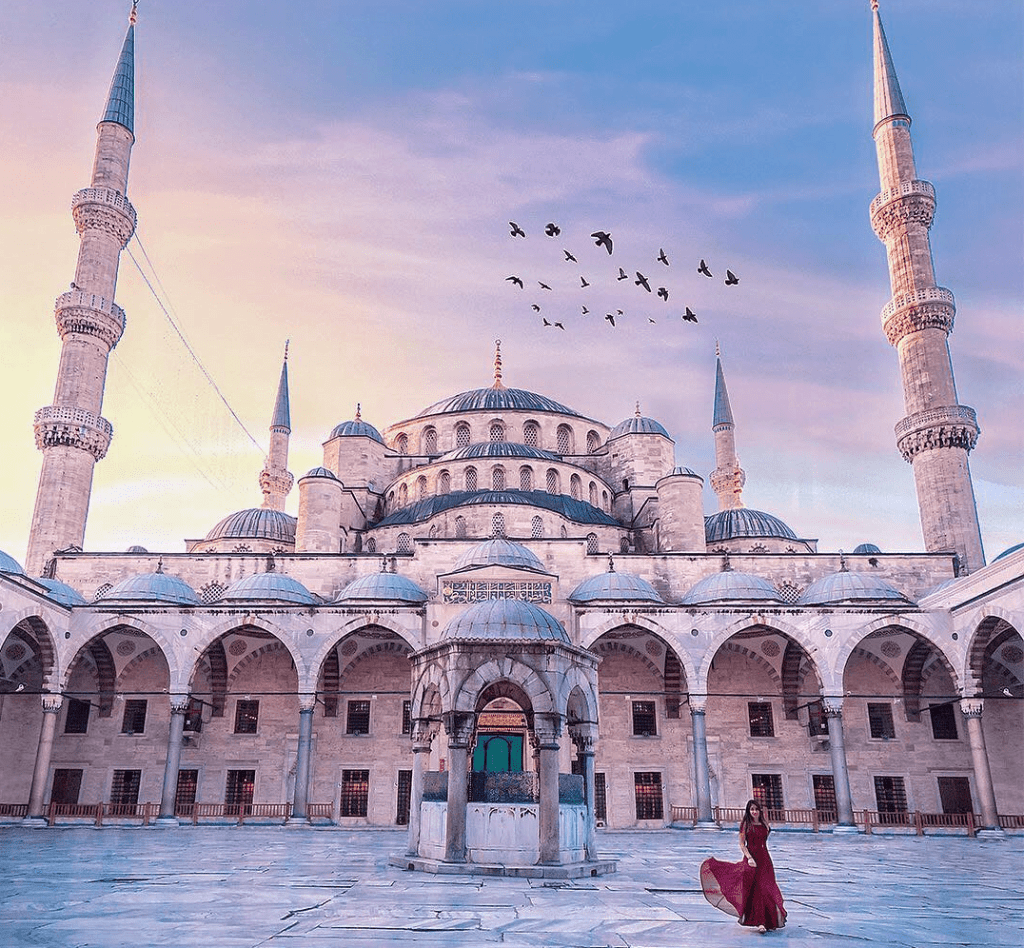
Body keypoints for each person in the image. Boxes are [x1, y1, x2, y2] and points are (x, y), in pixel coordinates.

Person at [700, 799, 787, 932]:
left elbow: (763, 841)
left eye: (756, 809)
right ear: (748, 811)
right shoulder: (746, 824)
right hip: (751, 859)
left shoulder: (764, 823)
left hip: (765, 860)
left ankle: (770, 921)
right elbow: (742, 844)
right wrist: (750, 858)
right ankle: (760, 922)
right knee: (756, 890)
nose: (754, 812)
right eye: (752, 809)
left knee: (767, 888)